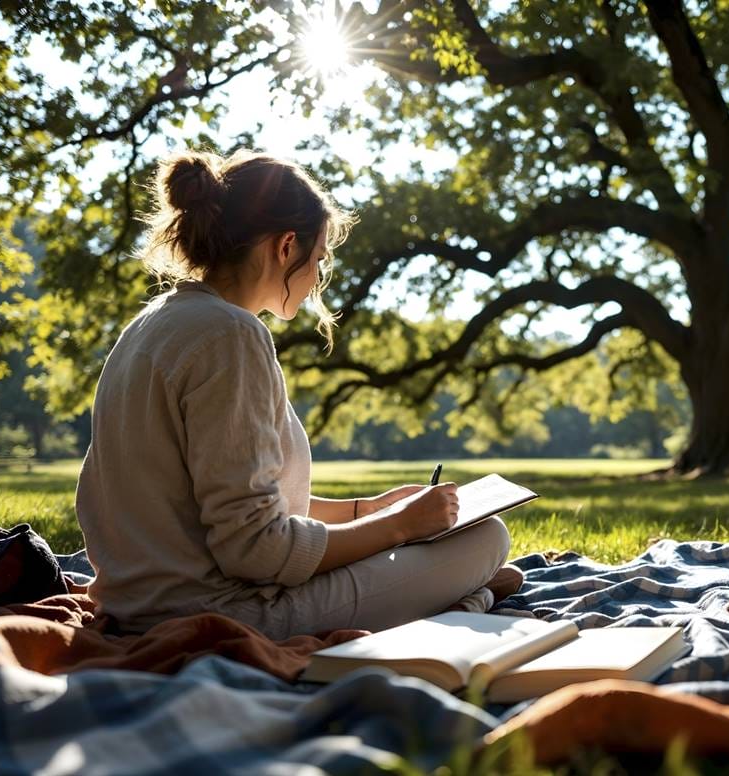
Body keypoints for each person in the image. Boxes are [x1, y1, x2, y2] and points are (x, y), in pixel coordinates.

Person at [75, 149, 521, 641]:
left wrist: (371, 510)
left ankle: (451, 592)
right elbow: (255, 549)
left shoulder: (154, 321)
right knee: (486, 541)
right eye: (320, 259)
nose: (317, 281)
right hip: (219, 613)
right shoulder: (230, 336)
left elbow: (228, 498)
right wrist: (400, 529)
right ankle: (462, 597)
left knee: (455, 554)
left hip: (138, 599)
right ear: (287, 245)